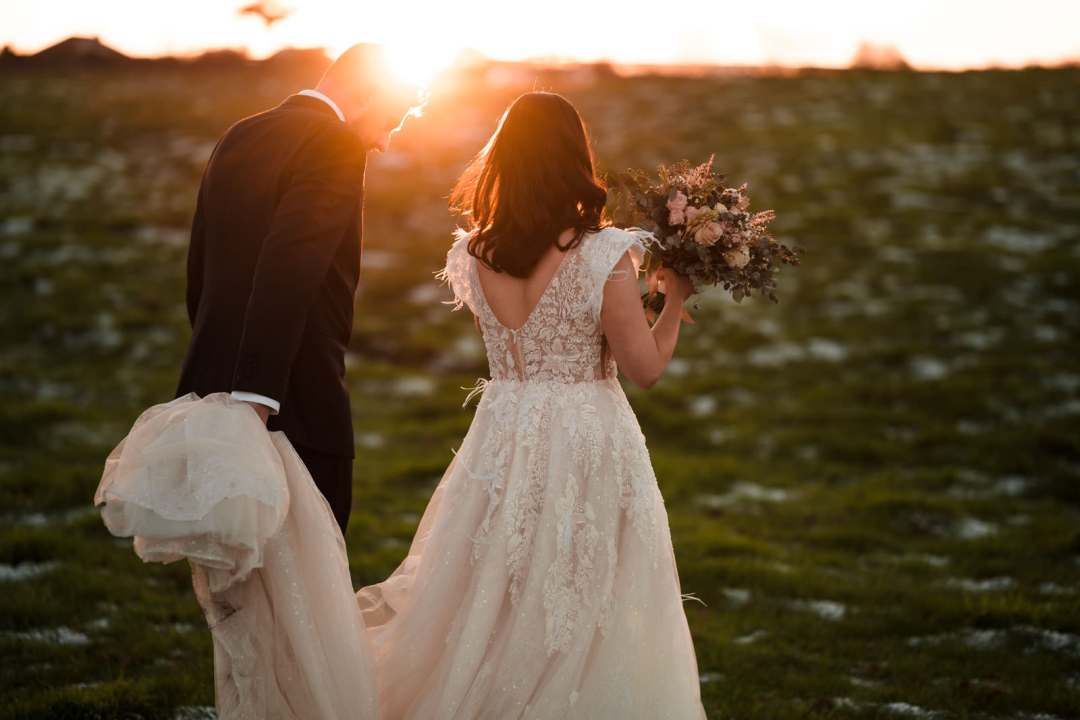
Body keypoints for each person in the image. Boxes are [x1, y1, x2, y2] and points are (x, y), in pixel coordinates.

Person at [356, 92, 707, 719]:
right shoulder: (604, 253)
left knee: (495, 585)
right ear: (574, 157)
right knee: (583, 590)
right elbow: (645, 369)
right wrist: (673, 298)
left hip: (502, 429)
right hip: (585, 433)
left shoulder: (474, 252)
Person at [174, 44, 423, 535]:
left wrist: (221, 373)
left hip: (210, 386)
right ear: (368, 92)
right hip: (291, 399)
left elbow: (201, 273)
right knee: (311, 565)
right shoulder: (334, 143)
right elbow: (289, 270)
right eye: (390, 123)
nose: (386, 143)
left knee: (234, 578)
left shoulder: (239, 133)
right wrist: (256, 396)